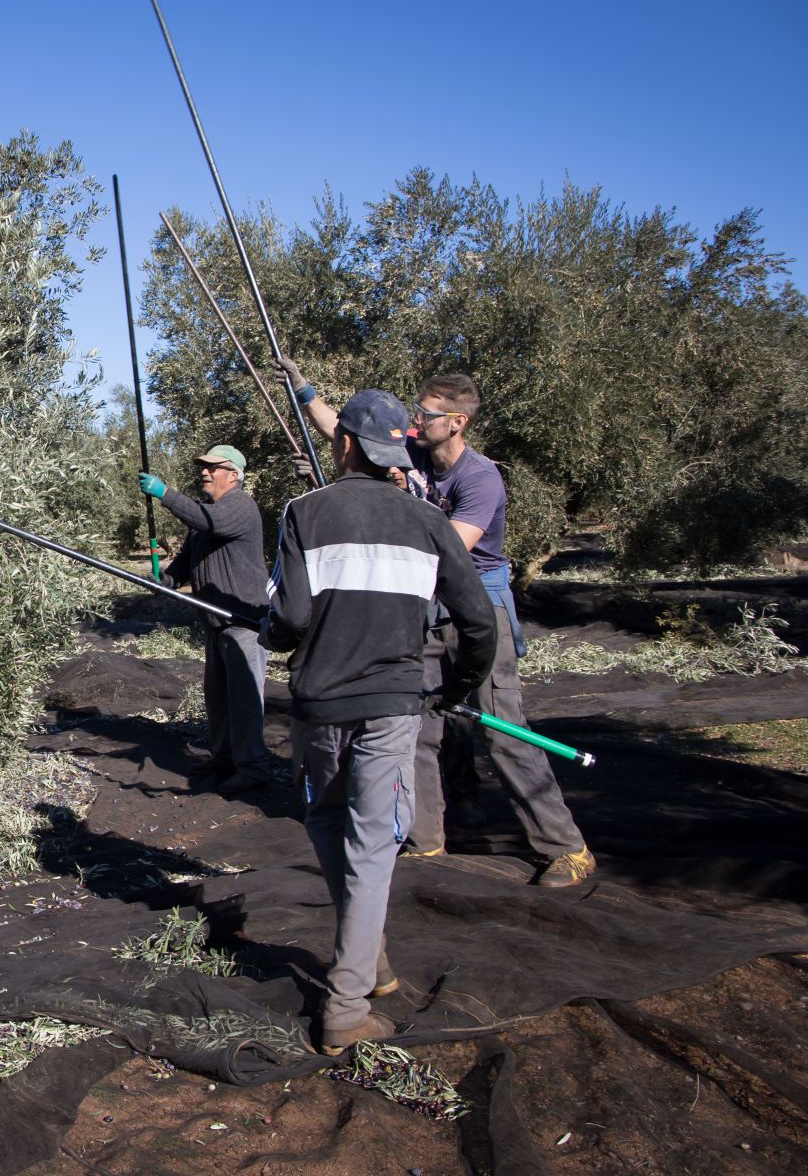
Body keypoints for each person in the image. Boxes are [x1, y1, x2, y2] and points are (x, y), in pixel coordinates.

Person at [278, 359, 594, 888]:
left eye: (426, 414)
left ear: (457, 422)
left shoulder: (480, 478)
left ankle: (566, 847)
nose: (417, 421)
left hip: (478, 607)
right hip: (424, 605)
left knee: (503, 730)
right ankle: (427, 838)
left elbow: (449, 550)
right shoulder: (418, 454)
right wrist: (305, 390)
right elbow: (346, 432)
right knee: (420, 725)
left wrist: (385, 499)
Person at [262, 389, 497, 1053]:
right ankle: (348, 1003)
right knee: (369, 850)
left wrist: (267, 628)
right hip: (392, 707)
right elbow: (478, 621)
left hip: (318, 708)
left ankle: (369, 971)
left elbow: (289, 622)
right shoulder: (427, 522)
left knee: (329, 826)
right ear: (395, 449)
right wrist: (455, 688)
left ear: (344, 445)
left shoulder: (304, 512)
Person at [138, 446, 271, 793]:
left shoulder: (239, 506)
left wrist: (165, 494)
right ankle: (224, 761)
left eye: (213, 468)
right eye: (204, 468)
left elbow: (209, 522)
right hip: (216, 622)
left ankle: (253, 770)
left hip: (244, 622)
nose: (205, 473)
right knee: (218, 697)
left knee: (244, 701)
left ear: (233, 474)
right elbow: (186, 561)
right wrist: (163, 580)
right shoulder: (206, 517)